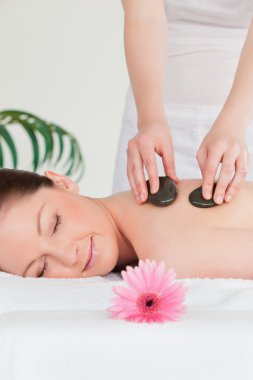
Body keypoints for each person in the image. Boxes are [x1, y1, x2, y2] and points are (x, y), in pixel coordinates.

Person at [112, 1, 253, 208]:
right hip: (152, 115)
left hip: (245, 111)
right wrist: (150, 121)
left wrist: (233, 124)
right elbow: (143, 13)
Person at [1, 168, 253, 280]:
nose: (68, 255)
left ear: (63, 183)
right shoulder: (136, 206)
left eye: (55, 224)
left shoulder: (167, 252)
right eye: (42, 269)